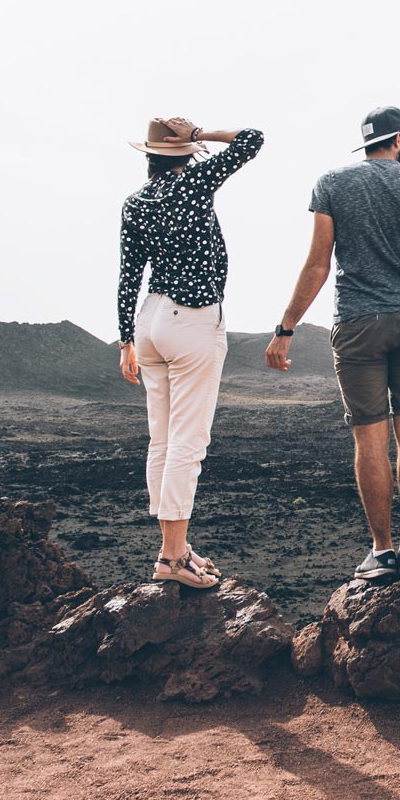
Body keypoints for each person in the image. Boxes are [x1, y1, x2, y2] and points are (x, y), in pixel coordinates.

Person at [265, 105, 400, 585]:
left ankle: (382, 550)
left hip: (357, 323)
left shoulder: (331, 183)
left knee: (370, 436)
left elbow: (317, 265)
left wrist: (286, 327)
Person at [117, 116, 264, 589]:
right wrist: (200, 134)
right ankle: (174, 557)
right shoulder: (195, 182)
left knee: (161, 440)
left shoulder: (135, 202)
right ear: (182, 155)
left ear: (149, 157)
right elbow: (253, 139)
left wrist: (125, 340)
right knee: (187, 442)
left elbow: (128, 275)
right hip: (192, 319)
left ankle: (171, 550)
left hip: (150, 321)